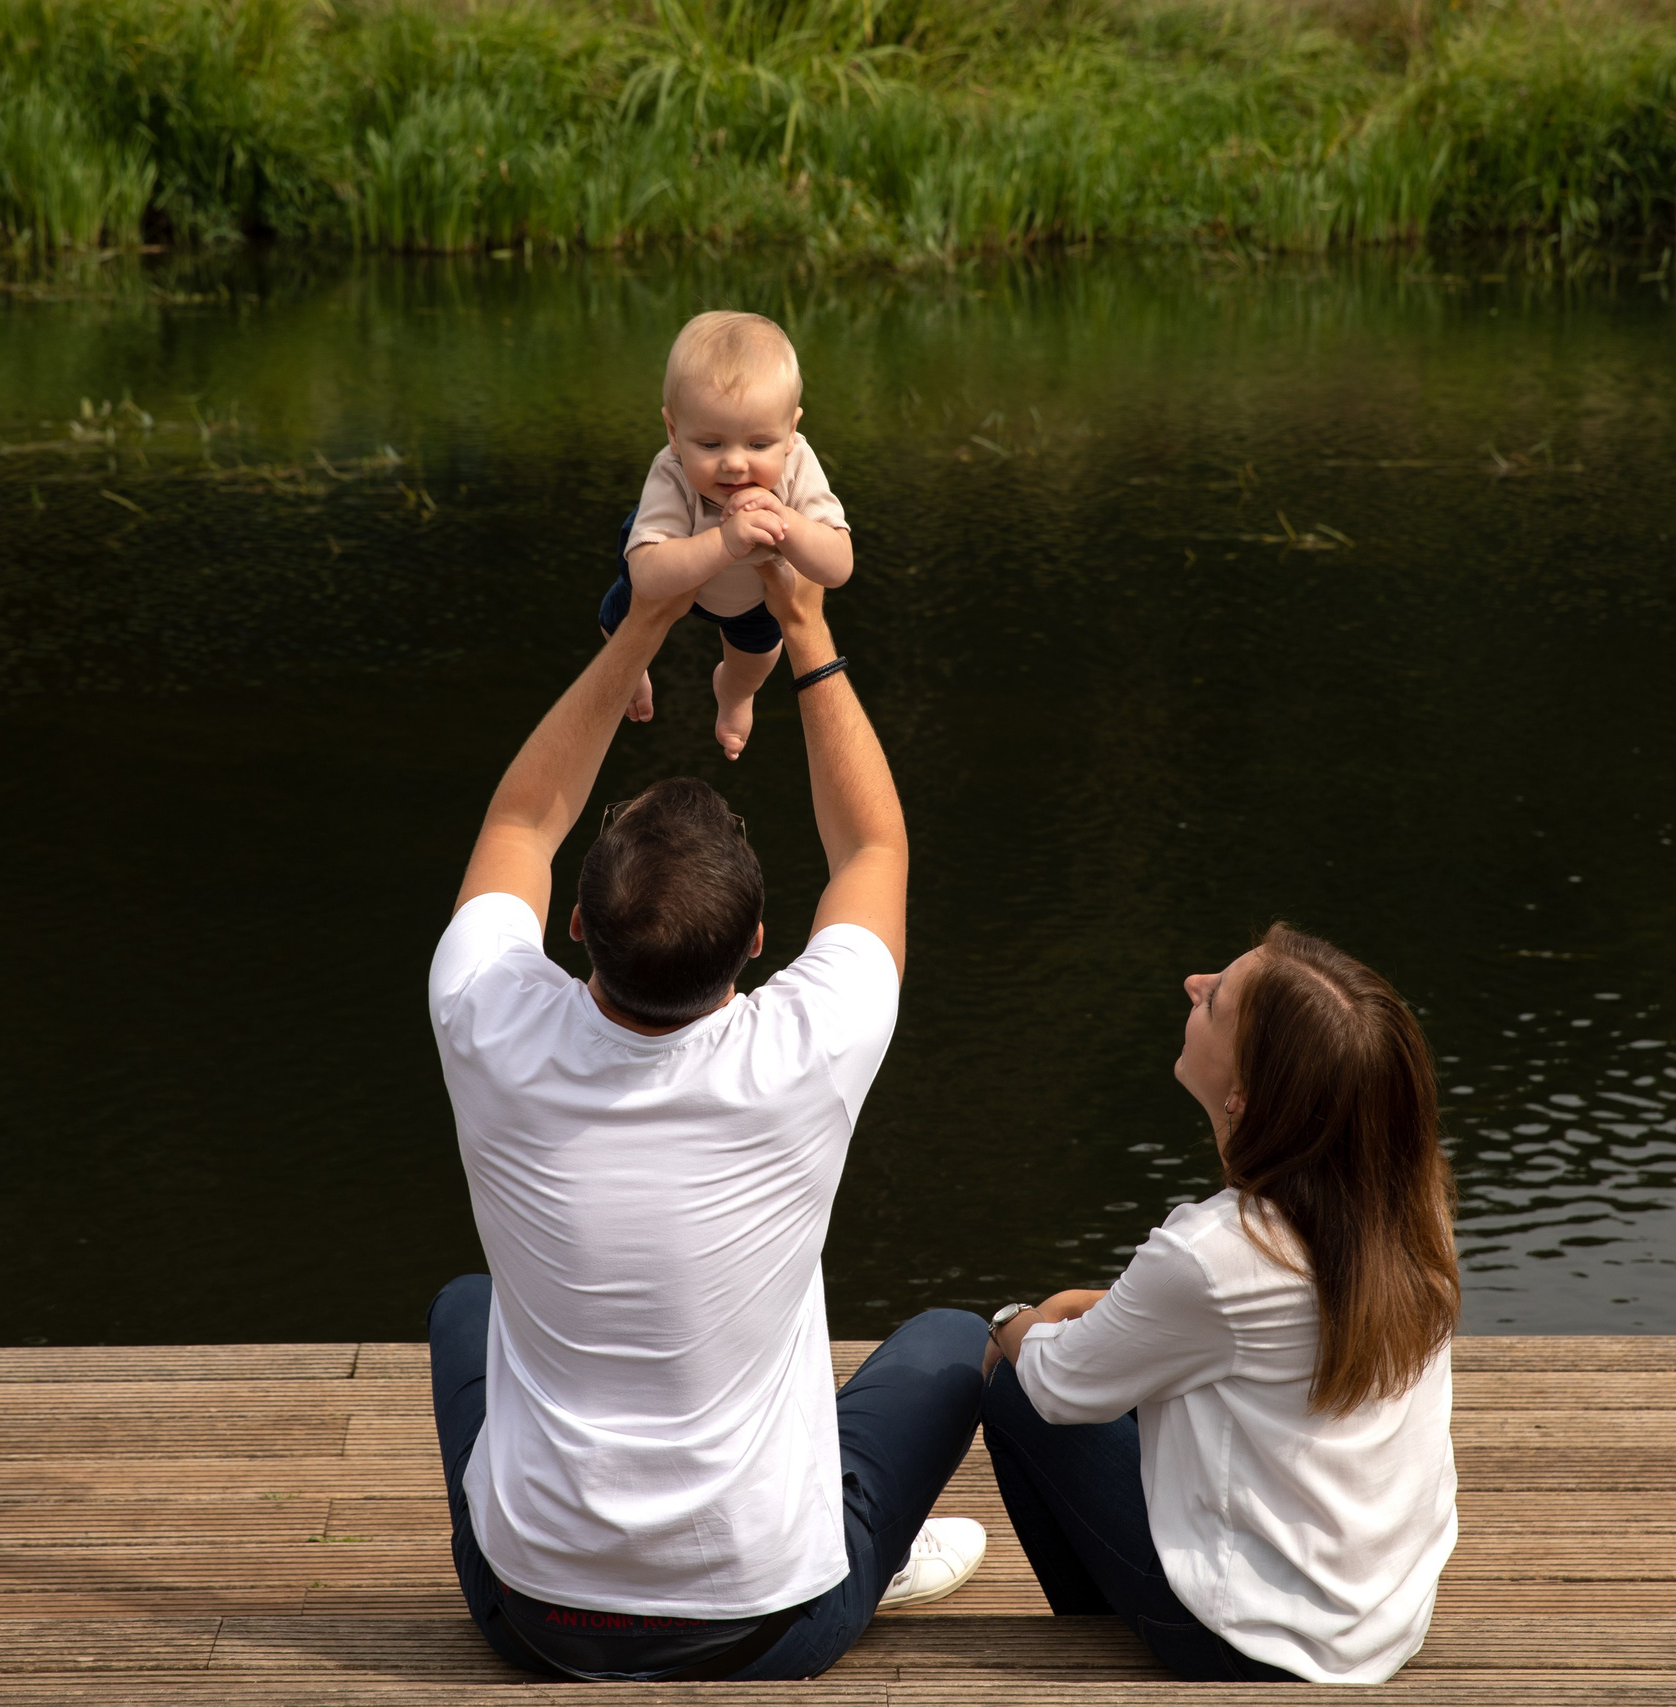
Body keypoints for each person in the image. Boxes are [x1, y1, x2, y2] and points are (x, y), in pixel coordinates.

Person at [427, 559, 985, 1683]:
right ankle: (859, 1555)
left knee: (465, 1308)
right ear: (761, 943)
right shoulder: (807, 1047)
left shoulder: (484, 1018)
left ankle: (653, 1546)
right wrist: (805, 628)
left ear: (575, 924)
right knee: (957, 1346)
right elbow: (874, 849)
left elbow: (522, 821)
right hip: (774, 1628)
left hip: (530, 1620)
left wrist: (640, 625)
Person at [979, 925, 1461, 1684]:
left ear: (1242, 1095)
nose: (1193, 983)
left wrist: (1014, 1320)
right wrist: (1099, 1303)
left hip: (1252, 1641)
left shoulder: (1213, 1252)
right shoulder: (1406, 1203)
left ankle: (1102, 1637)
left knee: (1012, 1392)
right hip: (1387, 1614)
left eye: (1217, 1001)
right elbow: (1279, 1321)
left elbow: (1059, 1384)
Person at [598, 310, 854, 761]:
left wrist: (786, 525)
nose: (735, 464)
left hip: (753, 597)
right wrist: (724, 542)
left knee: (756, 657)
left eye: (758, 445)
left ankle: (734, 694)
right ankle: (629, 664)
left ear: (791, 431)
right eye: (710, 445)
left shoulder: (797, 465)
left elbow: (838, 567)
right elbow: (649, 578)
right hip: (676, 571)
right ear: (674, 433)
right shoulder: (672, 473)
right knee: (625, 618)